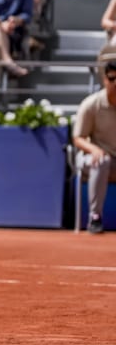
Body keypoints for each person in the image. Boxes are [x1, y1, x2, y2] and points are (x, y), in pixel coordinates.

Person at [72, 59, 116, 234]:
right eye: (112, 79)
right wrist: (94, 149)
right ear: (104, 80)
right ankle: (94, 217)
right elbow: (78, 138)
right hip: (95, 159)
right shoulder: (91, 105)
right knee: (101, 161)